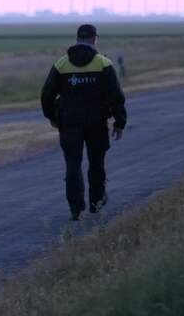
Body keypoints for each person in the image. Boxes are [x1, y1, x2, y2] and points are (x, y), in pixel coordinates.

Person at [40, 24, 127, 220]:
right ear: (95, 39)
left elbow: (46, 95)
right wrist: (119, 121)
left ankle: (76, 208)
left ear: (77, 38)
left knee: (73, 165)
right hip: (97, 122)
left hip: (69, 123)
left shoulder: (61, 64)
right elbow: (116, 96)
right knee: (96, 163)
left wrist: (53, 117)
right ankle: (96, 203)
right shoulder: (104, 64)